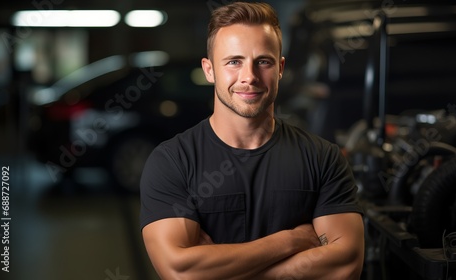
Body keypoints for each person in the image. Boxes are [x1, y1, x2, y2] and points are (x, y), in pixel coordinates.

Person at [140, 2, 364, 279]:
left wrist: (221, 271)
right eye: (234, 62)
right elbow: (181, 271)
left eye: (264, 62)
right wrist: (291, 241)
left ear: (280, 68)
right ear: (209, 70)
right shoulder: (173, 162)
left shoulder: (323, 158)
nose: (249, 77)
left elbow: (346, 264)